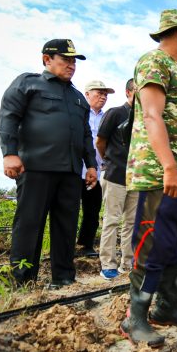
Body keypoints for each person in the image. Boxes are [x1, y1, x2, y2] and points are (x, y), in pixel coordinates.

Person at [120, 9, 177, 347]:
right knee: (153, 245)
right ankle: (135, 319)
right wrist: (170, 167)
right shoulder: (153, 62)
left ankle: (168, 308)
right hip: (159, 175)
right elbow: (152, 116)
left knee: (175, 245)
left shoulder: (174, 71)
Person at [0, 39, 96, 288]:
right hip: (36, 167)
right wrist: (9, 153)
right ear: (47, 59)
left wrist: (91, 165)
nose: (72, 65)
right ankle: (23, 280)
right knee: (29, 224)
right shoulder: (28, 83)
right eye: (66, 60)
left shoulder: (78, 98)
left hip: (70, 171)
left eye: (74, 61)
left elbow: (85, 134)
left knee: (66, 227)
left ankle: (63, 278)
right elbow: (9, 116)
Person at [96, 78, 137, 280]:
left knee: (131, 222)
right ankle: (108, 264)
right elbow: (100, 142)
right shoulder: (115, 113)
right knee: (112, 220)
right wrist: (110, 161)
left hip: (136, 178)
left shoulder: (146, 117)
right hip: (115, 174)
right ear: (128, 92)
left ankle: (127, 263)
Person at [77, 80, 114, 257]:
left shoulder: (107, 117)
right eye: (99, 93)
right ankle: (67, 244)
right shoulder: (80, 113)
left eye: (105, 94)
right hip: (77, 169)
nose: (103, 96)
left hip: (98, 171)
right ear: (87, 94)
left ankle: (86, 244)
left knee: (92, 210)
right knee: (69, 210)